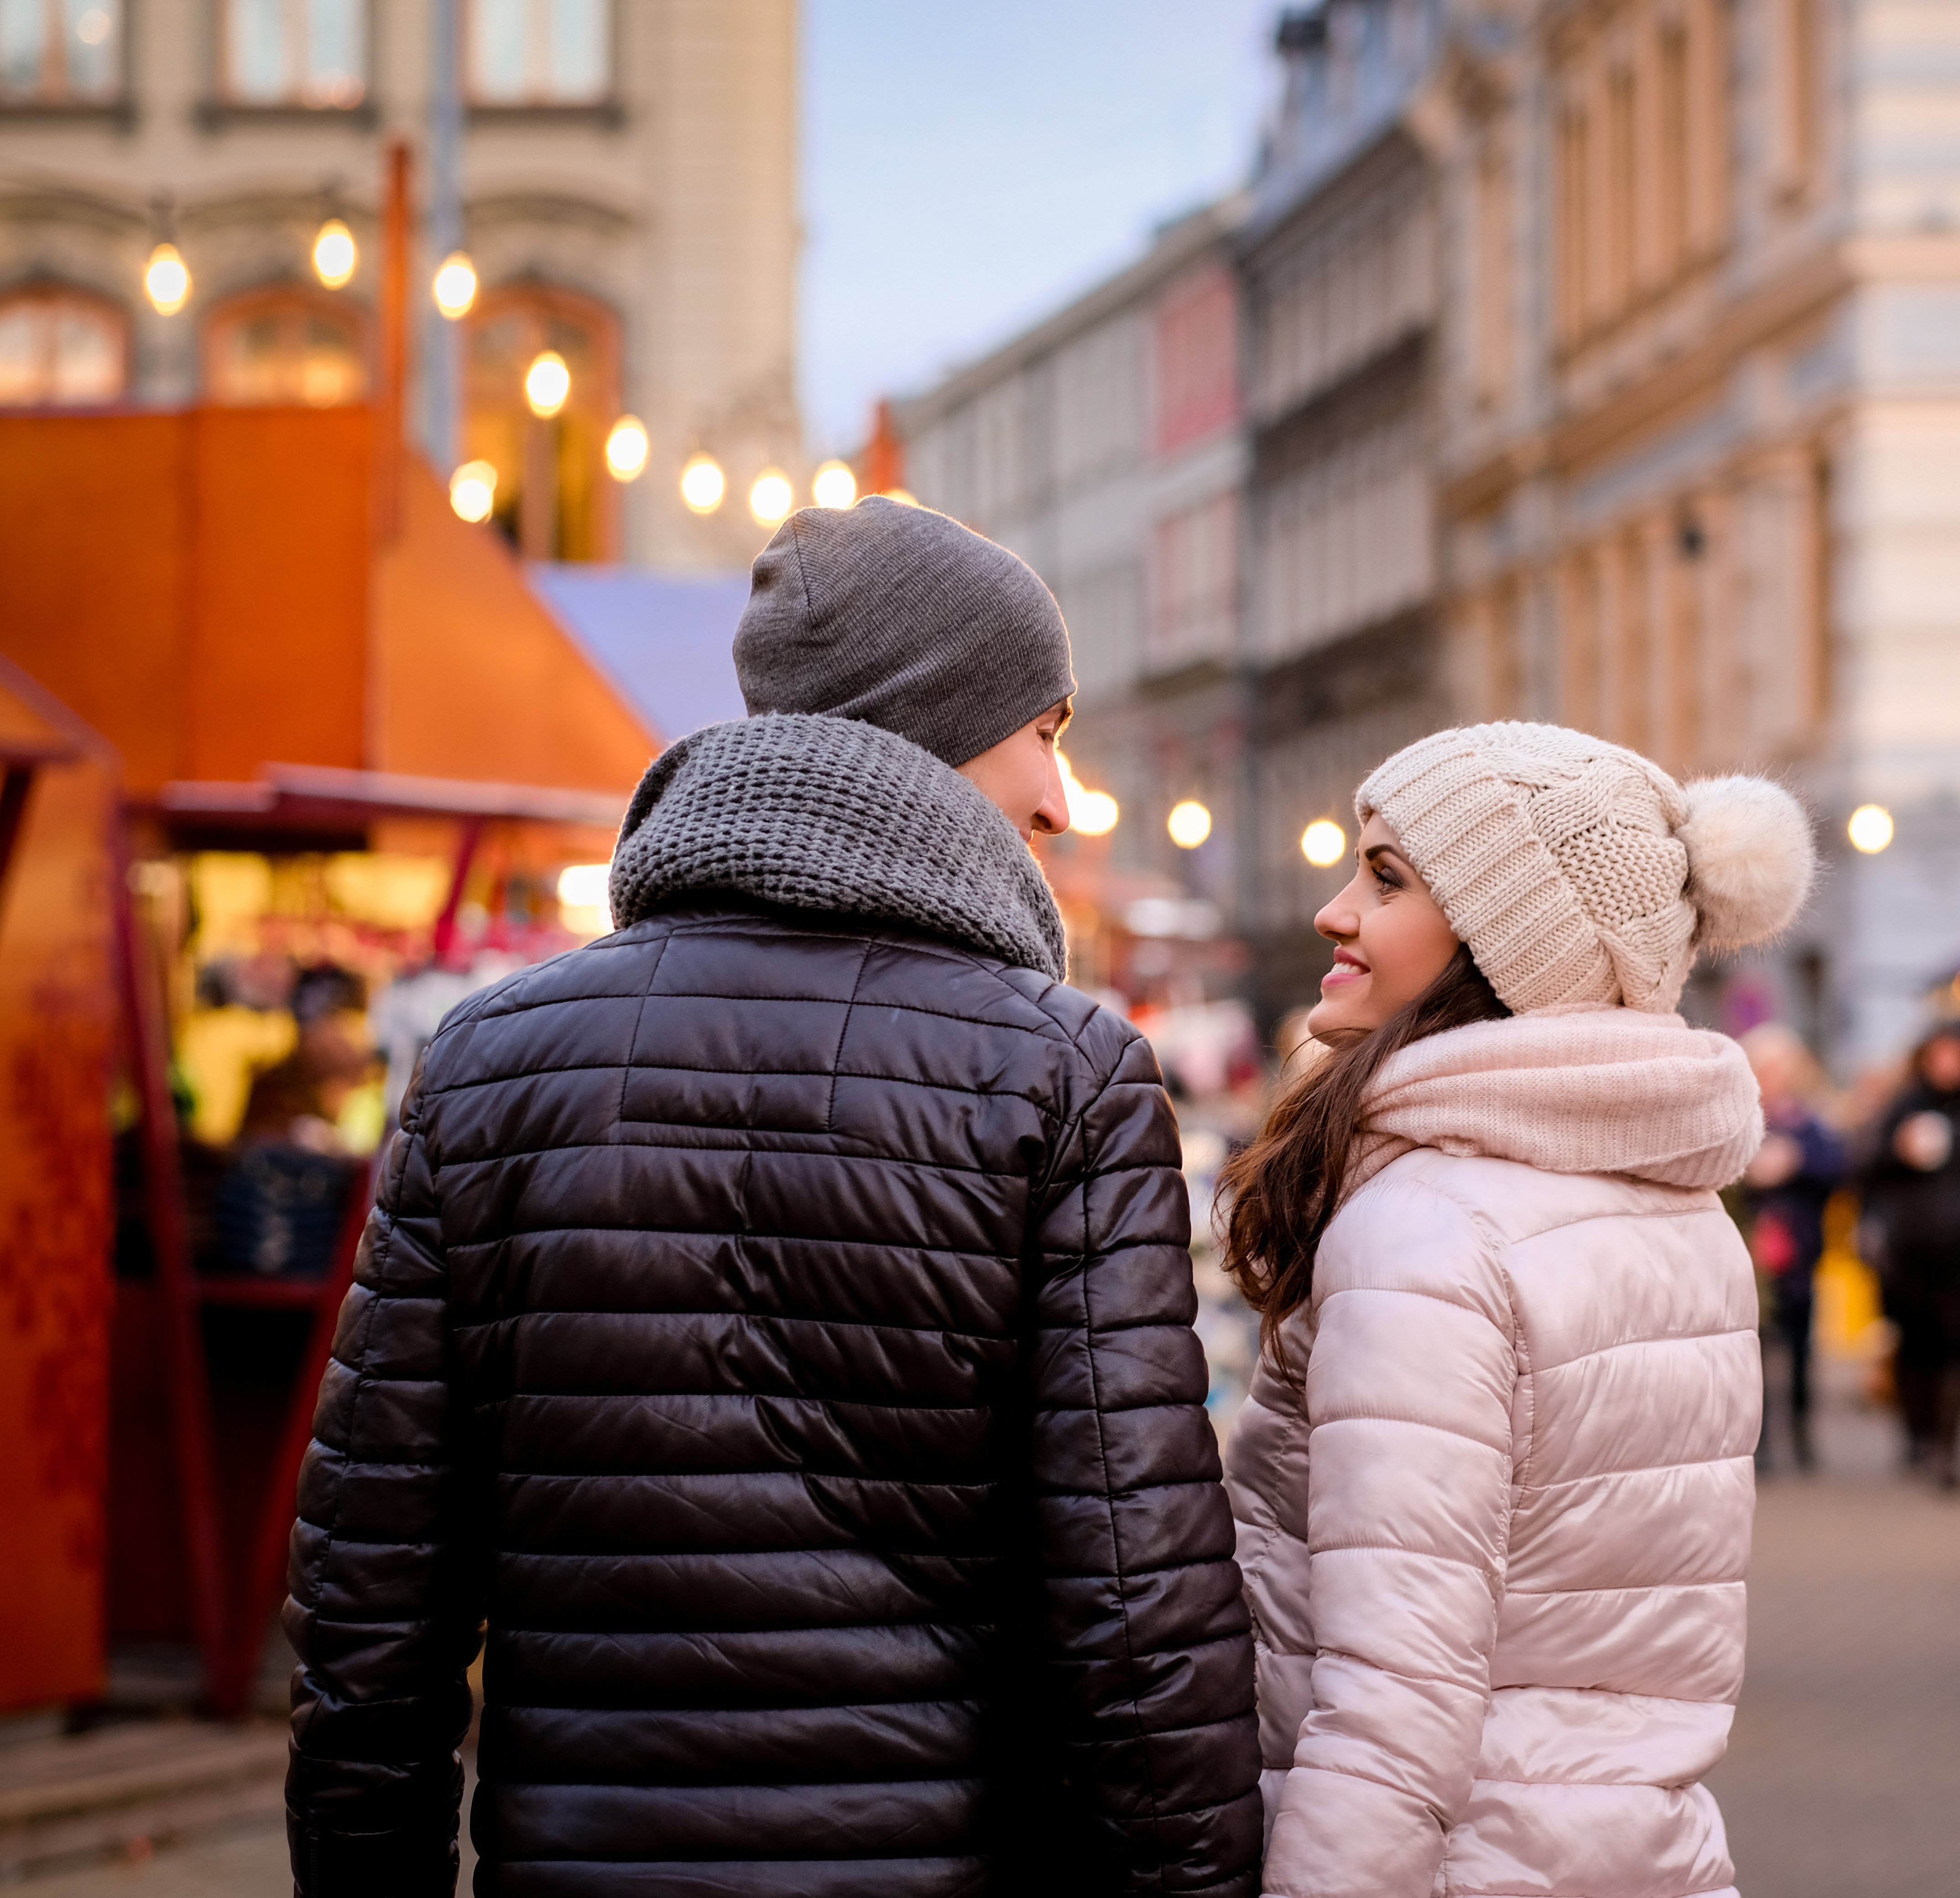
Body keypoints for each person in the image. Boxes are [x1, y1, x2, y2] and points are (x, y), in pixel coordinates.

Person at [283, 499, 1263, 1896]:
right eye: (1042, 731)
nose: (1061, 799)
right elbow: (1131, 1603)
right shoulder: (1063, 1074)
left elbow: (369, 1607)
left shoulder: (486, 1065)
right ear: (927, 722)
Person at [1218, 723, 1814, 1898]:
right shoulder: (1679, 1213)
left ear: (1506, 940)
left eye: (1386, 878)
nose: (1335, 912)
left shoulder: (1425, 1232)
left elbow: (1393, 1706)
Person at [1860, 1019, 1960, 1487]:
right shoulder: (1904, 1108)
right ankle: (1918, 1432)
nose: (1949, 1066)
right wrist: (1898, 1149)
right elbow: (1867, 1168)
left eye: (1958, 1057)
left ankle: (1949, 1446)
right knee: (1915, 1345)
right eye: (1940, 1056)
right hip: (1909, 1250)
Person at [1738, 1023, 1848, 1473]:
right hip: (1751, 1255)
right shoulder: (1738, 1120)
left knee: (1801, 1349)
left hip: (1801, 1252)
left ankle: (1801, 1433)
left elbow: (1839, 1170)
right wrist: (1751, 1171)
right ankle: (1758, 1440)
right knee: (1755, 1350)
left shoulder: (1810, 1124)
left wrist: (1795, 1163)